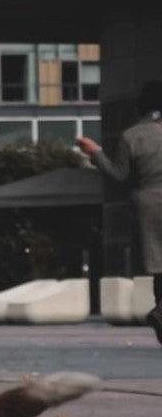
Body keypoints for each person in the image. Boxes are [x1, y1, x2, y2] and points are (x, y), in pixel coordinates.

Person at [77, 80, 162, 344]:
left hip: (146, 203)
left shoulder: (132, 135)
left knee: (158, 265)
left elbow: (119, 176)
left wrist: (95, 153)